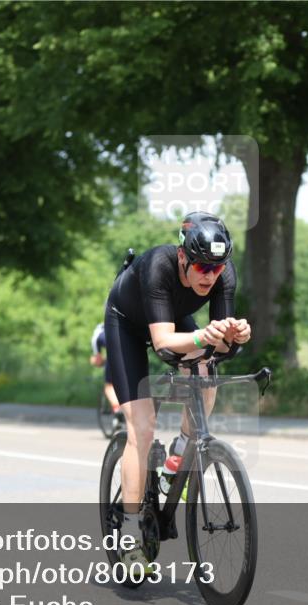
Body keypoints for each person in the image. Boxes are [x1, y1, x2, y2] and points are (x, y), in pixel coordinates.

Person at [104, 211, 252, 571]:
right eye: (201, 267)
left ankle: (178, 459)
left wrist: (235, 338)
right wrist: (204, 337)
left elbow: (218, 345)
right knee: (142, 428)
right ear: (183, 256)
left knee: (206, 373)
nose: (209, 276)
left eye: (216, 268)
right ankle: (130, 534)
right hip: (128, 324)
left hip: (172, 319)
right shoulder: (159, 265)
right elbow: (163, 342)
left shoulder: (223, 274)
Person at [90, 322, 121, 413]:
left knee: (109, 386)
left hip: (114, 354)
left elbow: (98, 360)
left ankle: (118, 410)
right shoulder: (116, 325)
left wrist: (95, 361)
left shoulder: (96, 336)